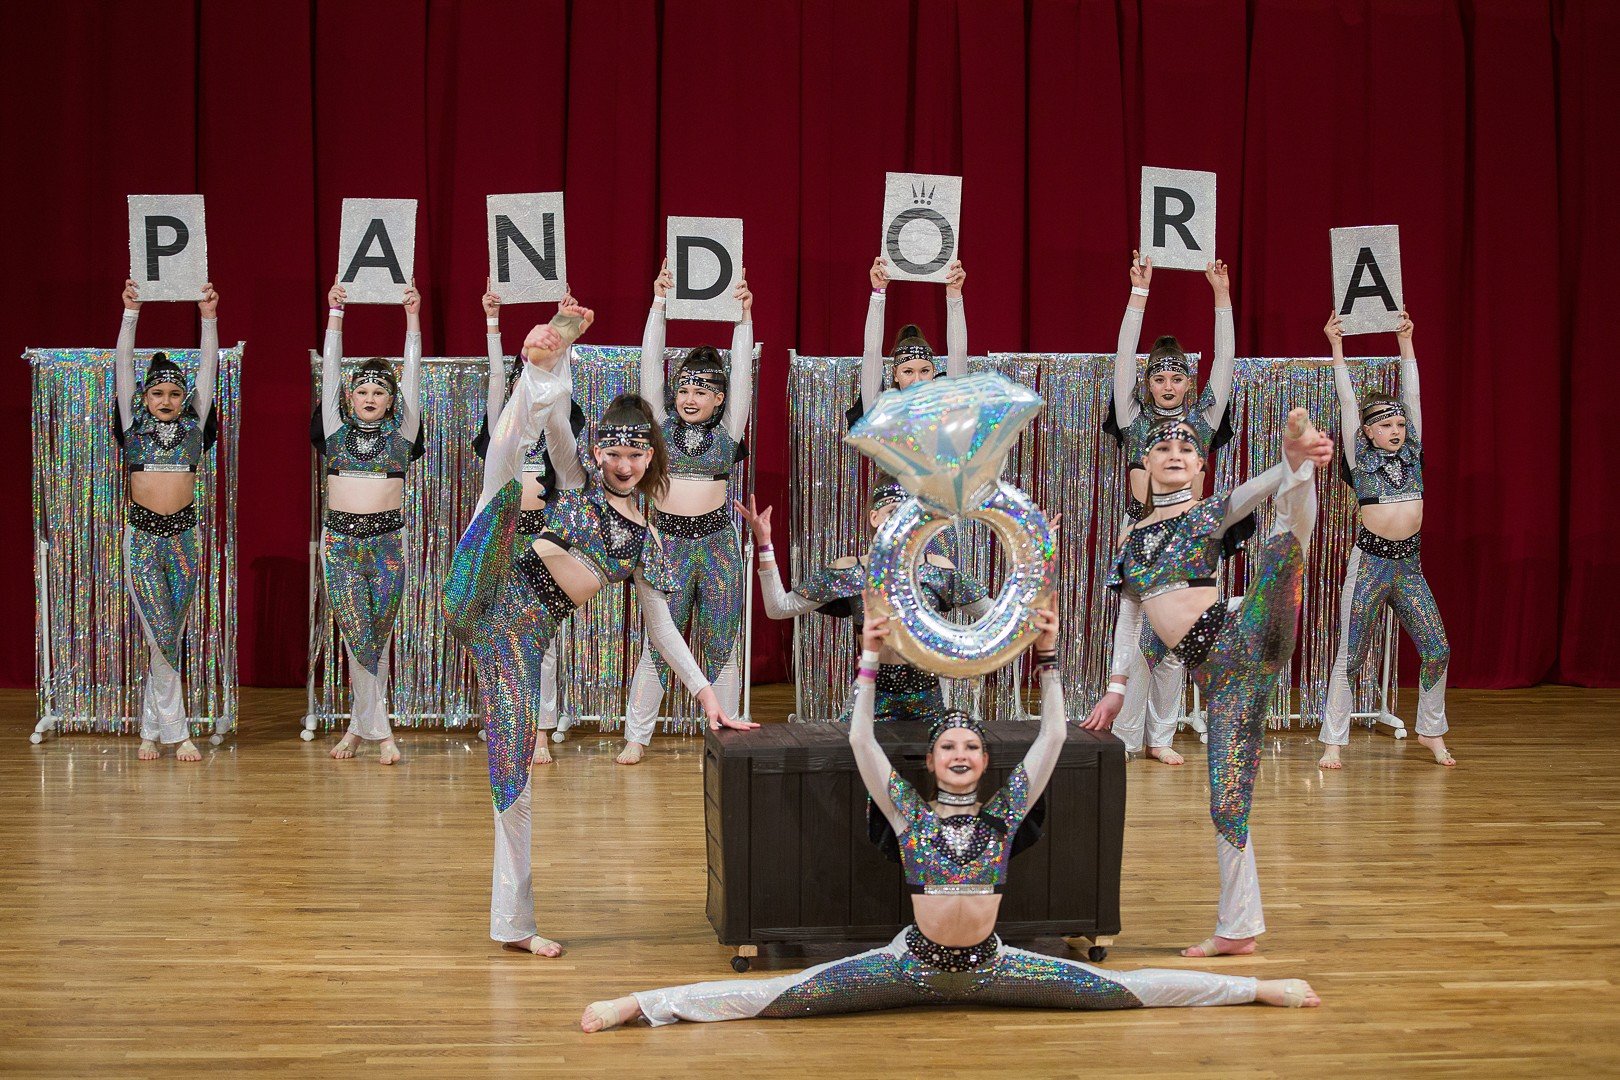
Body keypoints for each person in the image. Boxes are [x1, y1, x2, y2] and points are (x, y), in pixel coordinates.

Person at [579, 598, 1317, 1031]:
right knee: (775, 997)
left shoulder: (1001, 816)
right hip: (909, 966)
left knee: (1129, 993)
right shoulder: (908, 816)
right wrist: (869, 661)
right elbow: (862, 741)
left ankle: (1257, 988)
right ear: (930, 764)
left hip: (996, 967)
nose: (960, 753)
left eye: (970, 746)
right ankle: (640, 1005)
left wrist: (1050, 656)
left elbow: (1053, 737)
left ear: (984, 761)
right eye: (947, 747)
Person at [443, 303, 754, 956]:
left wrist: (706, 695)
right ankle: (541, 359)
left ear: (652, 456)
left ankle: (513, 925)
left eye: (635, 452)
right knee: (507, 465)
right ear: (598, 452)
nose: (623, 462)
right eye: (612, 449)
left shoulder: (647, 541)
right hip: (484, 592)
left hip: (516, 641)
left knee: (512, 780)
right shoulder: (577, 484)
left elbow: (662, 628)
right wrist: (555, 356)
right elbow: (557, 425)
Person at [1084, 409, 1332, 958]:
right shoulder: (1130, 539)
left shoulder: (1205, 515)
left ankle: (1300, 465)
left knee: (1284, 550)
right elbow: (1130, 615)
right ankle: (1238, 928)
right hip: (1220, 678)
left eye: (1187, 450)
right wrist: (1117, 687)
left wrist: (1289, 465)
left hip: (1245, 636)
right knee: (1227, 802)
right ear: (1143, 463)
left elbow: (1248, 494)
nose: (1175, 454)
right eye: (1163, 448)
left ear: (1201, 467)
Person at [1102, 252, 1238, 766]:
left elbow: (1224, 364)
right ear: (1148, 383)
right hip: (1141, 533)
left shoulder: (1203, 421)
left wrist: (1221, 297)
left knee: (1178, 640)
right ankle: (1126, 735)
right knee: (1135, 638)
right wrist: (1138, 293)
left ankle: (1160, 735)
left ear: (1188, 383)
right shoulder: (1133, 419)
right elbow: (1122, 358)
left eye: (1176, 379)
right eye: (1158, 379)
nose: (1167, 386)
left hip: (1190, 538)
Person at [617, 261, 754, 765]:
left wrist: (744, 320)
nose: (690, 398)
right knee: (659, 645)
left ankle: (726, 736)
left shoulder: (730, 431)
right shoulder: (658, 427)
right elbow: (648, 365)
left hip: (717, 545)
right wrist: (658, 305)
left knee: (722, 646)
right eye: (684, 390)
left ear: (719, 399)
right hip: (666, 545)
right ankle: (637, 736)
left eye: (701, 392)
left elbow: (744, 376)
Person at [1317, 311, 1453, 768]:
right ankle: (1333, 741)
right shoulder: (1359, 459)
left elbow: (1413, 396)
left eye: (1400, 425)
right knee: (1351, 655)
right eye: (1386, 426)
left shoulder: (1413, 453)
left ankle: (1430, 731)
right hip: (1371, 565)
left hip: (1408, 567)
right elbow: (1347, 402)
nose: (1396, 431)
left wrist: (1406, 343)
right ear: (1368, 432)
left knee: (1437, 649)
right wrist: (1336, 347)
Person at [737, 482, 989, 723]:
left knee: (929, 754)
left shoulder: (939, 570)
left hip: (929, 696)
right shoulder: (852, 572)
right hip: (872, 694)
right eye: (894, 512)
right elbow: (779, 608)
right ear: (874, 518)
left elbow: (993, 615)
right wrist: (765, 543)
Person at [313, 278, 423, 765]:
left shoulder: (403, 436)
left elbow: (412, 373)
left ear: (392, 400)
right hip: (340, 545)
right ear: (349, 396)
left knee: (374, 641)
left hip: (388, 545)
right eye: (362, 389)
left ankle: (358, 729)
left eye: (380, 390)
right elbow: (330, 369)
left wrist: (412, 318)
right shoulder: (334, 431)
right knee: (358, 634)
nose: (371, 396)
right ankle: (383, 735)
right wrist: (335, 316)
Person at [476, 280, 586, 764]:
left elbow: (559, 398)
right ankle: (503, 717)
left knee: (541, 640)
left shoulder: (559, 436)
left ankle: (540, 729)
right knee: (494, 634)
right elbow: (501, 379)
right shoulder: (505, 430)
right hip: (499, 533)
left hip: (540, 540)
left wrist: (564, 332)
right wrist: (493, 322)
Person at [114, 278, 220, 762]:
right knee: (159, 631)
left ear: (184, 398)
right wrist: (130, 313)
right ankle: (178, 733)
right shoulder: (132, 425)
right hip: (142, 538)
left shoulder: (195, 427)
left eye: (175, 393)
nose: (166, 400)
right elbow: (122, 365)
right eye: (157, 392)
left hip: (184, 538)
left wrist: (208, 318)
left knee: (169, 634)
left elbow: (209, 369)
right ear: (144, 397)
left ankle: (150, 729)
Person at [848, 255, 968, 429]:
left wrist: (954, 293)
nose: (917, 380)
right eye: (908, 372)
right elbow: (871, 352)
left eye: (924, 371)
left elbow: (959, 353)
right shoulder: (882, 414)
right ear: (895, 374)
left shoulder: (947, 411)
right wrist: (878, 292)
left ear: (934, 372)